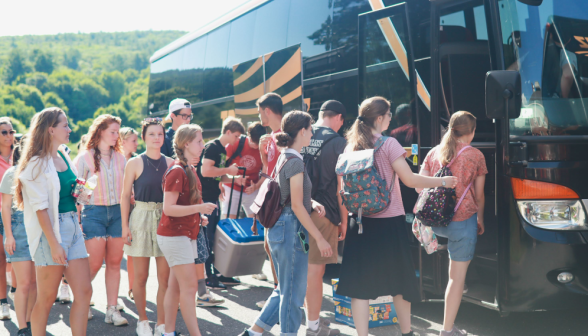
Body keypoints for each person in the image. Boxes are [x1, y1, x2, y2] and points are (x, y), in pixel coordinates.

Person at [336, 97, 458, 336]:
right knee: (401, 282)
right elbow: (410, 180)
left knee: (360, 286)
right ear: (379, 118)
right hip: (388, 223)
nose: (391, 119)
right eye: (389, 115)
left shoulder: (351, 146)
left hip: (358, 222)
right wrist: (443, 181)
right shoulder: (389, 144)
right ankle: (406, 332)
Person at [241, 111, 333, 336]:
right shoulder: (295, 161)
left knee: (285, 288)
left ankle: (254, 332)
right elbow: (296, 207)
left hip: (280, 228)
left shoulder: (286, 156)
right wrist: (320, 238)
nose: (312, 133)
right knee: (292, 293)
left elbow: (289, 193)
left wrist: (310, 201)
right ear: (302, 131)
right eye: (311, 129)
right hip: (290, 227)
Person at [15, 107, 92, 336]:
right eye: (65, 125)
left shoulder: (64, 154)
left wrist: (82, 191)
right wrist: (54, 243)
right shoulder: (35, 164)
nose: (70, 129)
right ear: (50, 129)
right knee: (46, 298)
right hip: (50, 230)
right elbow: (41, 209)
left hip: (72, 225)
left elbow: (71, 189)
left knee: (85, 292)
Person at [418, 111, 487, 336]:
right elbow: (479, 194)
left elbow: (420, 187)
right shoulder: (475, 155)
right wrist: (481, 218)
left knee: (452, 276)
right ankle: (447, 331)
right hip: (461, 221)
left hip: (434, 223)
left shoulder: (434, 152)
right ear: (472, 132)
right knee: (455, 280)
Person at [157, 124, 216, 336]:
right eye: (199, 142)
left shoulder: (188, 169)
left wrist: (197, 216)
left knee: (175, 288)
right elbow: (169, 208)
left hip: (183, 235)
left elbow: (180, 206)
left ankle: (169, 332)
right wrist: (199, 209)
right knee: (190, 289)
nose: (202, 146)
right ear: (186, 144)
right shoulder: (177, 171)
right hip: (175, 236)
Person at [121, 119, 174, 336]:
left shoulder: (171, 163)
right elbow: (125, 196)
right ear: (144, 137)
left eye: (160, 134)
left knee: (165, 278)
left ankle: (161, 323)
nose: (156, 138)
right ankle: (143, 320)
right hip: (140, 217)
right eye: (151, 134)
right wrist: (124, 226)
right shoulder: (134, 163)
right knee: (140, 277)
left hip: (165, 219)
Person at [76, 114, 128, 325]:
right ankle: (82, 301)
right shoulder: (84, 158)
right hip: (93, 212)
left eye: (118, 132)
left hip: (117, 212)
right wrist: (78, 220)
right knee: (95, 263)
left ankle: (112, 310)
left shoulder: (121, 158)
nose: (117, 136)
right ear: (100, 132)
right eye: (113, 132)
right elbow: (78, 192)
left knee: (115, 263)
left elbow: (126, 190)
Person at [301, 100, 348, 336]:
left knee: (303, 268)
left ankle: (313, 319)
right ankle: (313, 326)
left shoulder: (301, 133)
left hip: (298, 210)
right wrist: (344, 222)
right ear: (339, 117)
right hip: (324, 213)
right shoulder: (340, 143)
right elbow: (342, 189)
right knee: (315, 272)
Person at [197, 116, 245, 289]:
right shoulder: (212, 147)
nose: (237, 140)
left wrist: (233, 179)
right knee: (207, 237)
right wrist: (228, 171)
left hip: (213, 198)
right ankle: (208, 277)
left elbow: (217, 174)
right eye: (237, 136)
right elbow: (206, 170)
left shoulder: (222, 150)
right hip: (205, 199)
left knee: (213, 237)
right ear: (228, 131)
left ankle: (215, 274)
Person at [2, 137, 35, 335]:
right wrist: (9, 236)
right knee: (23, 283)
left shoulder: (44, 171)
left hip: (41, 230)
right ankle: (22, 327)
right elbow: (5, 207)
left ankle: (31, 321)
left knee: (36, 283)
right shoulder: (12, 173)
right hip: (19, 229)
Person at [254, 93, 283, 297]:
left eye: (259, 112)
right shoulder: (271, 136)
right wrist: (263, 155)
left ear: (267, 111)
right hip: (271, 198)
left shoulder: (283, 135)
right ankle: (278, 292)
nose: (259, 117)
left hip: (281, 200)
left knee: (275, 248)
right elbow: (268, 169)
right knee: (269, 245)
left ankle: (280, 295)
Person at [221, 122, 265, 219]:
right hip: (232, 187)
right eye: (253, 143)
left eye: (258, 143)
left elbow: (266, 172)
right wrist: (219, 185)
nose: (256, 146)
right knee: (230, 222)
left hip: (252, 189)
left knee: (257, 222)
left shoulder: (264, 148)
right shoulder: (235, 143)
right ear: (248, 136)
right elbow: (220, 165)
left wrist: (256, 186)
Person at [119, 126, 139, 300]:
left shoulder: (136, 160)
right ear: (123, 142)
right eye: (134, 140)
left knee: (131, 251)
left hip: (132, 210)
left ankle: (132, 287)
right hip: (114, 209)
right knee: (114, 256)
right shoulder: (114, 160)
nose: (137, 143)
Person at [0, 117, 14, 320]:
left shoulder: (20, 156)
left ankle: (18, 296)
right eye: (4, 132)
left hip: (17, 213)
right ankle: (3, 303)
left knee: (19, 259)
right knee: (1, 260)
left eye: (11, 131)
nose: (9, 136)